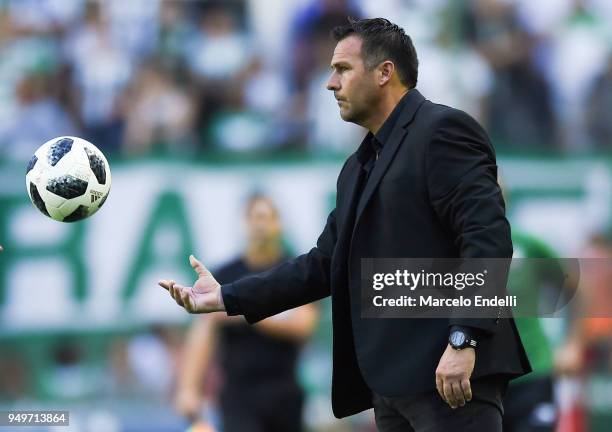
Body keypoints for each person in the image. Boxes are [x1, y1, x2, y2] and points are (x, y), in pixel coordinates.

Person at [160, 17, 531, 431]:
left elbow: (488, 239)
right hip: (393, 389)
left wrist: (465, 338)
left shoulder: (442, 131)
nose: (329, 83)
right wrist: (228, 296)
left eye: (342, 69)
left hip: (453, 377)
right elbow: (322, 264)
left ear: (384, 72)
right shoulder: (357, 167)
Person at [174, 194, 318, 432]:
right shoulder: (225, 275)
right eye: (255, 218)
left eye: (268, 218)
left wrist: (243, 307)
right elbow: (205, 330)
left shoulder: (292, 271)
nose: (261, 225)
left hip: (284, 390)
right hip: (238, 393)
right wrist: (188, 388)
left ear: (279, 224)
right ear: (244, 223)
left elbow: (304, 325)